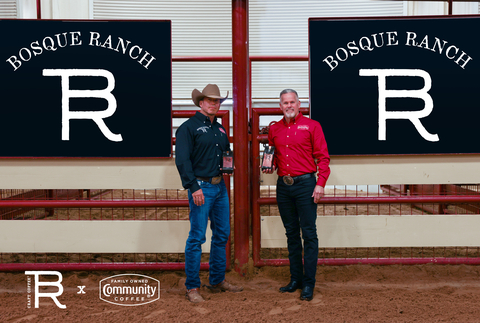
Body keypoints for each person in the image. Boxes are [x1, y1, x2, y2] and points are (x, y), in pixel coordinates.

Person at [175, 84, 243, 303]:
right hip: (201, 187)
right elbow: (182, 160)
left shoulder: (220, 129)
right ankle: (192, 287)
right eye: (210, 100)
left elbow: (224, 154)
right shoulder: (188, 127)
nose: (214, 104)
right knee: (197, 237)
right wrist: (193, 187)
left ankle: (216, 280)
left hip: (220, 185)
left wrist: (229, 166)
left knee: (222, 234)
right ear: (201, 102)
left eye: (217, 101)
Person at [263, 89, 330, 301]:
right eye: (285, 103)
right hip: (284, 186)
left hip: (306, 185)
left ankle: (309, 283)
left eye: (292, 102)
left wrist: (320, 184)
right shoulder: (274, 129)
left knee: (309, 234)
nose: (289, 106)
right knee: (291, 234)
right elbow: (273, 156)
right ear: (280, 106)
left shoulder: (313, 126)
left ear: (299, 104)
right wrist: (268, 165)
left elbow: (323, 158)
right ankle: (295, 279)